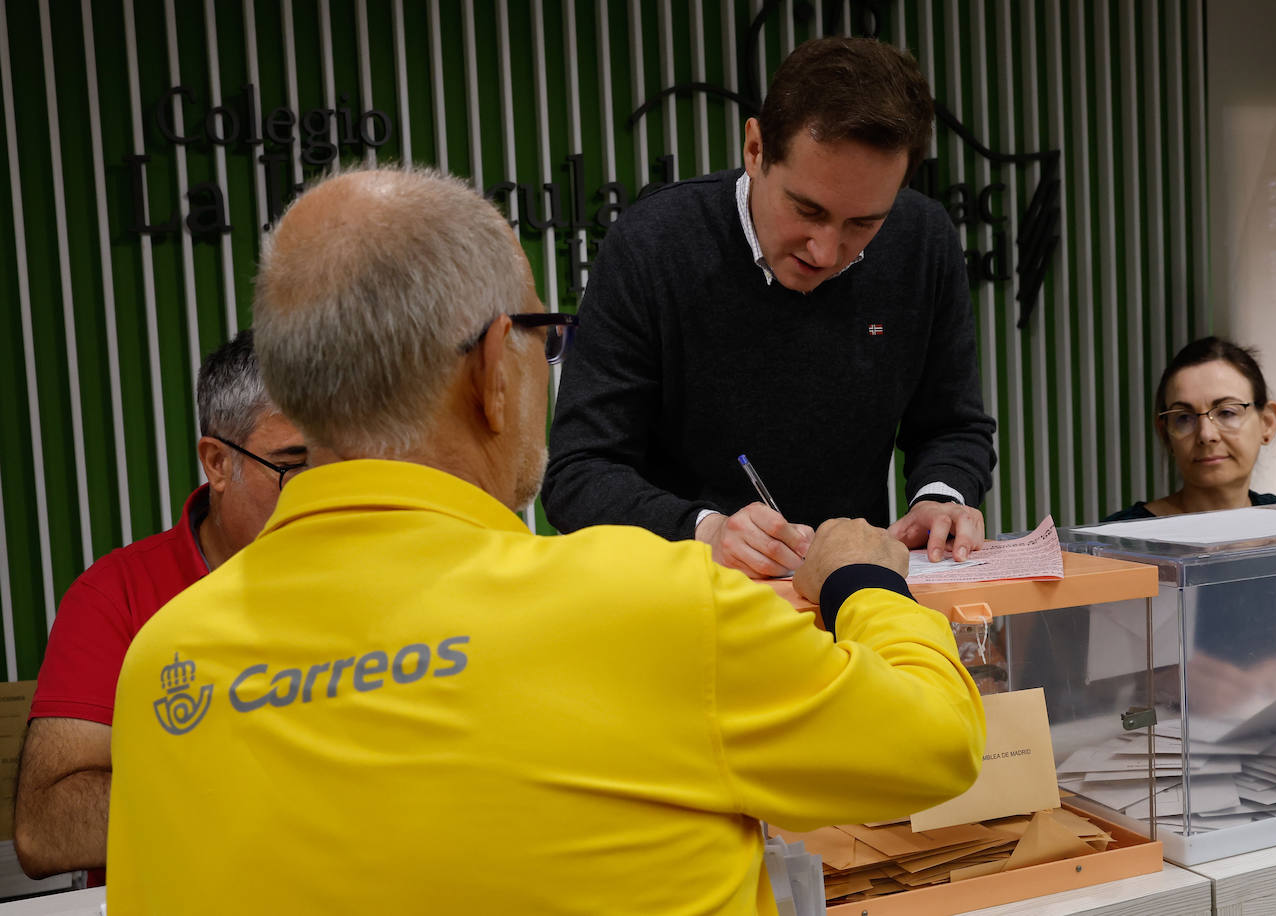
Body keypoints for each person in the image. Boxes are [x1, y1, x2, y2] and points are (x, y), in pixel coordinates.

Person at [105, 167, 986, 913]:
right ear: (494, 371)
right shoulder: (653, 603)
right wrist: (865, 583)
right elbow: (936, 742)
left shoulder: (161, 667)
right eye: (542, 336)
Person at [542, 36, 996, 578]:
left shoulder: (922, 240)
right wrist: (704, 531)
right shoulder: (653, 245)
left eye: (863, 224)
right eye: (807, 209)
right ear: (755, 149)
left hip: (851, 602)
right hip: (687, 607)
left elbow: (951, 425)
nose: (825, 251)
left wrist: (940, 496)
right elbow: (579, 473)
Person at [14, 329, 306, 882]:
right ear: (218, 464)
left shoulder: (384, 577)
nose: (327, 495)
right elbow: (45, 828)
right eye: (295, 466)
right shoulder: (118, 595)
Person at [1104, 337, 1276, 521]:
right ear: (1165, 432)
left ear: (1267, 423)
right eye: (1184, 418)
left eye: (1227, 413)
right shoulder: (1119, 539)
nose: (1206, 434)